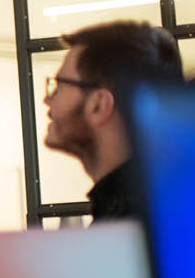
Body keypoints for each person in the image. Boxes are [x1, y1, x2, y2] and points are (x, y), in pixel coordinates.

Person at [43, 20, 182, 221]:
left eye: (59, 86)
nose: (47, 100)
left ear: (99, 105)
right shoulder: (165, 203)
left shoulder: (134, 228)